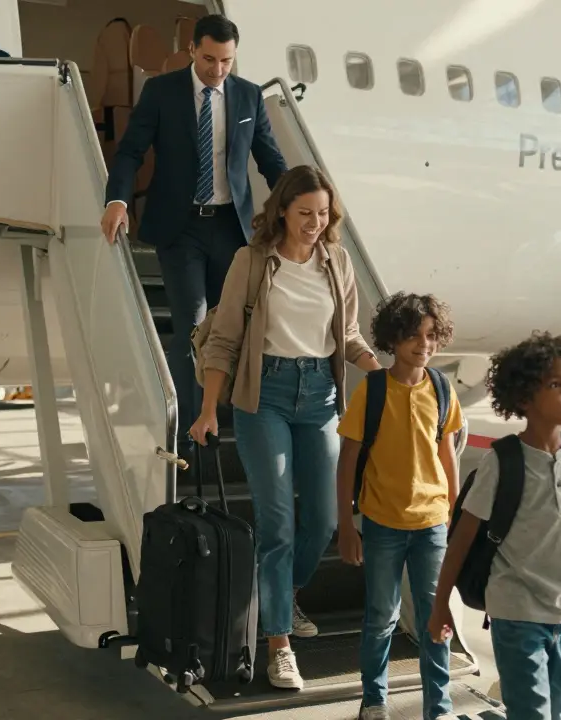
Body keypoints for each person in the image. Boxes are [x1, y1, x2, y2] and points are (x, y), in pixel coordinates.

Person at [191, 165, 381, 690]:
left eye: (322, 214)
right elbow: (223, 339)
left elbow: (347, 336)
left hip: (320, 396)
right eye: (304, 214)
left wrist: (386, 376)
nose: (314, 224)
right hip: (264, 396)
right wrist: (209, 408)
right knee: (277, 523)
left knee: (322, 520)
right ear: (281, 211)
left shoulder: (336, 261)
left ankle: (283, 594)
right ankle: (279, 644)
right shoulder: (251, 262)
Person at [100, 13, 287, 443]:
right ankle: (189, 427)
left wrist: (302, 205)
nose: (217, 70)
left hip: (231, 228)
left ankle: (229, 417)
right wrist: (117, 200)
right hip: (179, 227)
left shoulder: (247, 97)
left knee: (229, 329)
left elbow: (271, 160)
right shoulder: (161, 91)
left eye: (225, 61)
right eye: (208, 59)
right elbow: (130, 151)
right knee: (192, 323)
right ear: (191, 51)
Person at [429, 332, 561, 720]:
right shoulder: (502, 462)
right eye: (555, 385)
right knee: (532, 715)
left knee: (555, 714)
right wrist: (440, 607)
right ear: (523, 398)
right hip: (517, 612)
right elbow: (461, 540)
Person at [334, 292, 465, 720]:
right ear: (393, 339)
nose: (423, 344)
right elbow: (348, 459)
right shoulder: (372, 391)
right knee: (380, 617)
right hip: (382, 524)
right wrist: (347, 526)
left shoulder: (443, 389)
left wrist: (454, 514)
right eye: (412, 335)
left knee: (435, 619)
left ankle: (438, 707)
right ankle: (374, 699)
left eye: (430, 336)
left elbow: (448, 457)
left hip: (432, 525)